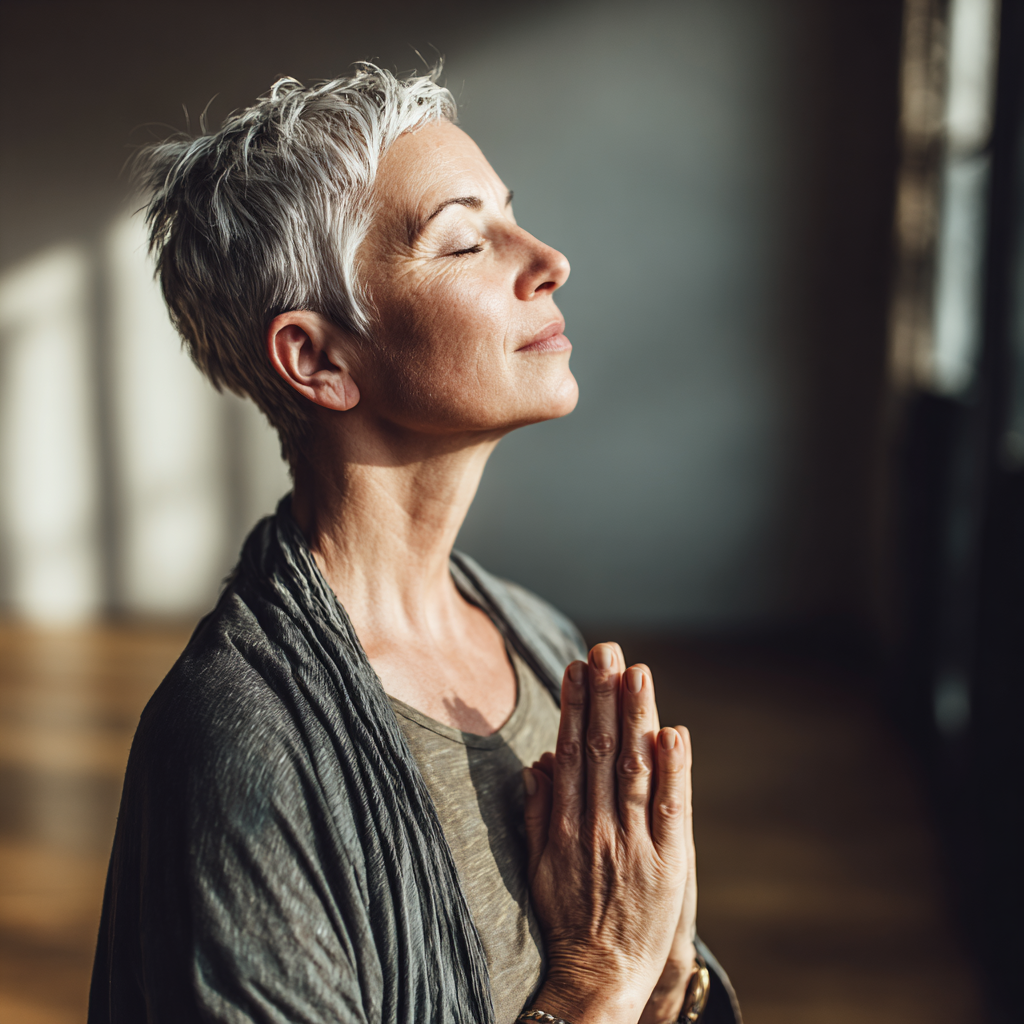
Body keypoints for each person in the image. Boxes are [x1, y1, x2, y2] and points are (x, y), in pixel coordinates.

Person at [89, 66, 741, 1024]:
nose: (548, 258)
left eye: (513, 215)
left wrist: (668, 965)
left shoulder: (536, 635)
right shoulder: (243, 747)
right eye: (466, 239)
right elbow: (609, 973)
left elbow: (661, 978)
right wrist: (598, 980)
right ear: (318, 359)